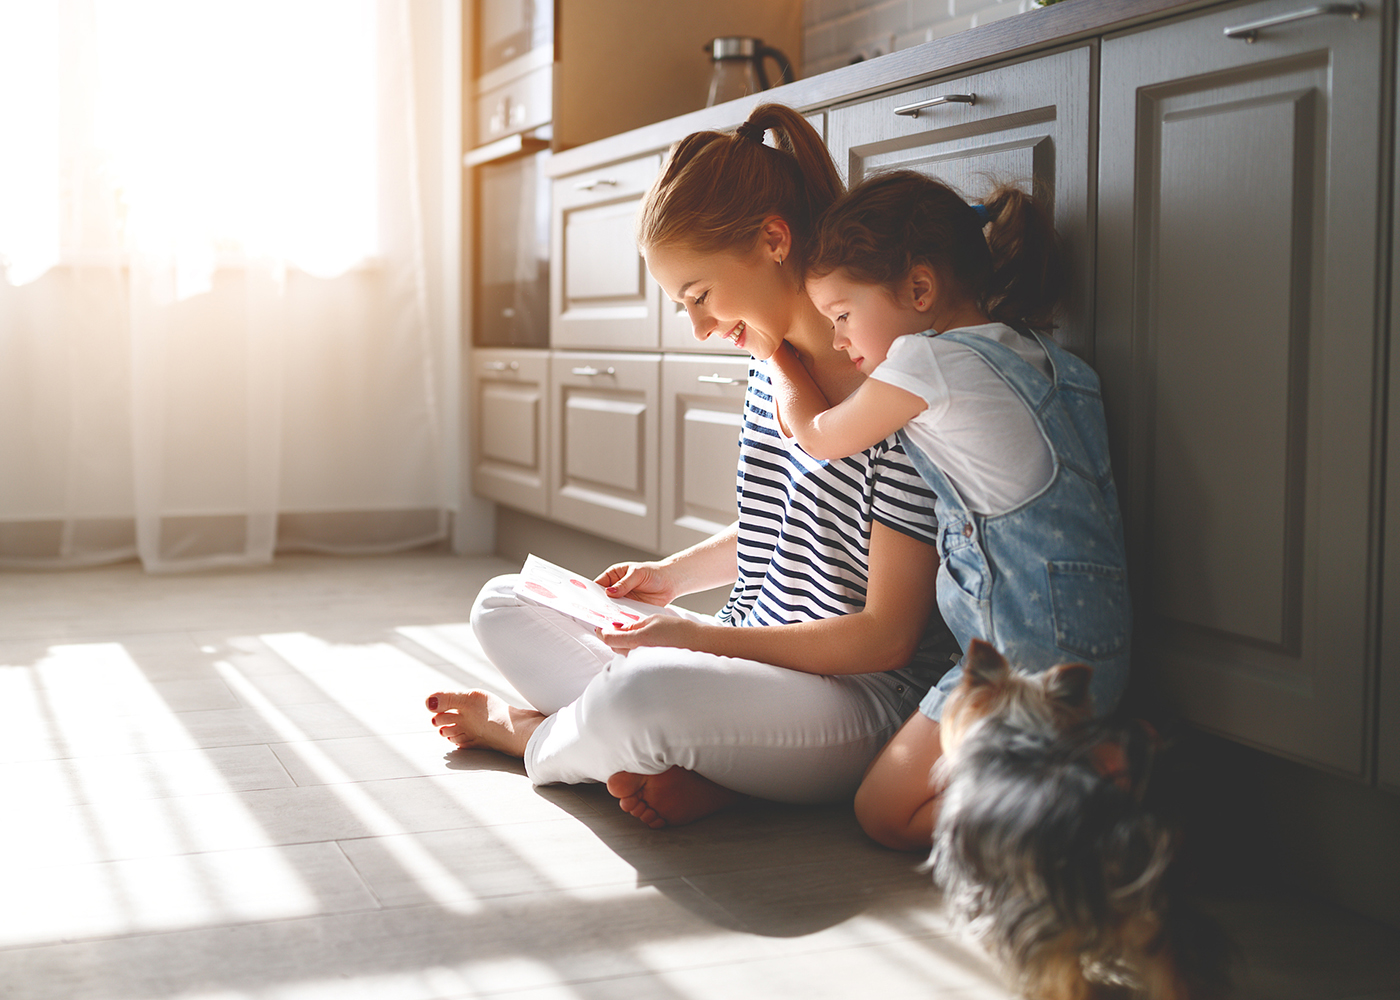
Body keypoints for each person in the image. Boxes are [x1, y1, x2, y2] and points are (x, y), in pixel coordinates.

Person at [427, 105, 958, 830]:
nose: (701, 327)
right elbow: (782, 530)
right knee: (503, 601)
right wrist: (669, 579)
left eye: (699, 296)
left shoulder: (894, 386)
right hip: (752, 658)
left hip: (857, 696)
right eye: (684, 305)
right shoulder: (773, 368)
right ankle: (701, 761)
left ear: (774, 239)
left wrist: (697, 640)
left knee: (641, 695)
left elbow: (889, 637)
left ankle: (530, 735)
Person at [766, 169, 1132, 850]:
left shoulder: (923, 362)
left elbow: (820, 439)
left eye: (843, 315)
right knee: (943, 788)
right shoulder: (1054, 361)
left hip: (1020, 659)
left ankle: (1082, 792)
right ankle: (1075, 772)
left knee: (883, 813)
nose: (841, 341)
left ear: (921, 290)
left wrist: (780, 365)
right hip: (1102, 653)